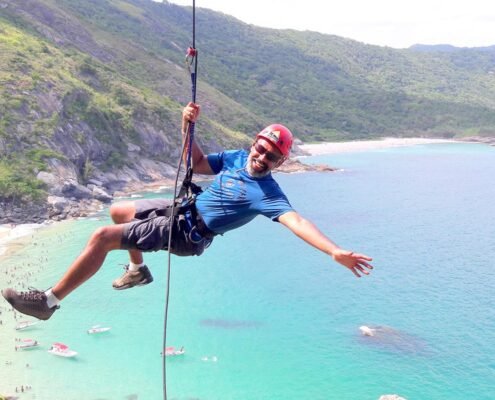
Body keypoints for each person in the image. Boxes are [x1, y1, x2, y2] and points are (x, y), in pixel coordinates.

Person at [1, 102, 373, 321]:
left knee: (101, 237)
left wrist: (334, 251)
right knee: (117, 212)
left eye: (271, 156)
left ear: (280, 161)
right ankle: (137, 271)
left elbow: (297, 222)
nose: (262, 157)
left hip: (185, 234)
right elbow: (193, 162)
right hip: (180, 208)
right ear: (254, 144)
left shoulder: (267, 193)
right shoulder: (237, 158)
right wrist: (186, 126)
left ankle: (48, 302)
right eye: (260, 148)